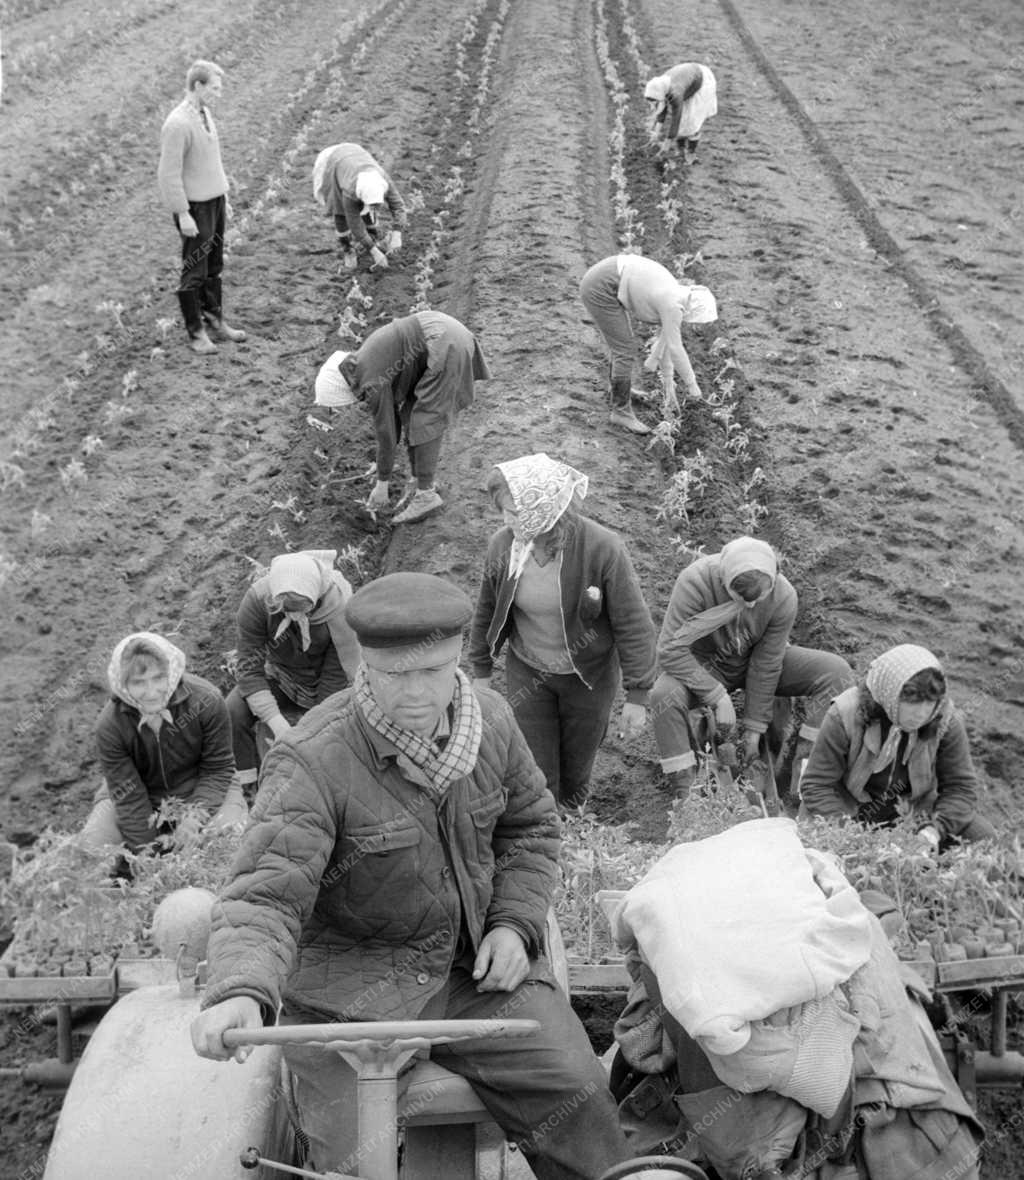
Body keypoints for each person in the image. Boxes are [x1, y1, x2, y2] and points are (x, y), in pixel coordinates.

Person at [190, 572, 631, 1180]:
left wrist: (513, 923)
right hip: (348, 996)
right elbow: (266, 892)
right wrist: (241, 987)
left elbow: (529, 830)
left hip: (473, 972)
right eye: (397, 675)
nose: (419, 693)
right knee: (354, 1157)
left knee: (580, 1097)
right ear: (364, 667)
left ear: (457, 661)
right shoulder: (314, 757)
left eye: (434, 672)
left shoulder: (494, 723)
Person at [468, 454, 656, 809]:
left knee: (577, 768)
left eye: (514, 512)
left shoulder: (601, 548)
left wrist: (638, 696)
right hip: (528, 669)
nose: (505, 520)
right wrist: (481, 672)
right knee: (536, 769)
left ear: (543, 508)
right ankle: (548, 835)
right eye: (503, 511)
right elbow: (487, 610)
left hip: (587, 678)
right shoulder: (504, 546)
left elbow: (632, 623)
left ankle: (574, 823)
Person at [649, 536, 854, 798]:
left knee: (837, 673)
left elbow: (766, 663)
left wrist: (754, 730)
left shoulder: (783, 596)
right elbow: (670, 648)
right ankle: (686, 794)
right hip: (707, 664)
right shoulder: (695, 582)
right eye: (740, 598)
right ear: (724, 579)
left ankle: (804, 781)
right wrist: (716, 695)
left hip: (756, 660)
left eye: (759, 599)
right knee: (663, 694)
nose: (750, 606)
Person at [800, 643, 996, 851]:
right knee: (817, 849)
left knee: (982, 836)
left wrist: (933, 831)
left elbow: (961, 787)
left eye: (929, 703)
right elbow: (817, 784)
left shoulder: (945, 721)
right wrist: (850, 835)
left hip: (912, 814)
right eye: (911, 701)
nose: (921, 714)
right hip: (847, 809)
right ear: (889, 693)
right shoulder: (845, 713)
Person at [313, 311, 491, 523]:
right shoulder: (360, 363)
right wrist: (382, 468)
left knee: (425, 421)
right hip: (442, 331)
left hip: (444, 345)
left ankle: (426, 496)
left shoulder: (371, 383)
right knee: (411, 415)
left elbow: (387, 434)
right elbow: (396, 421)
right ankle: (421, 481)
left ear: (341, 389)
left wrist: (382, 484)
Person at [83, 632, 245, 854]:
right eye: (138, 683)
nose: (151, 692)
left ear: (172, 673)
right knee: (91, 851)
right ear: (122, 685)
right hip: (136, 797)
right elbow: (129, 797)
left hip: (205, 788)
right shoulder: (111, 725)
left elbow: (218, 769)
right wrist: (146, 853)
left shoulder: (207, 700)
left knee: (226, 841)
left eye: (159, 678)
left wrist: (193, 819)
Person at [226, 549, 361, 792]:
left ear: (316, 595)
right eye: (287, 610)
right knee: (234, 710)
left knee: (337, 735)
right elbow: (249, 668)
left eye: (304, 609)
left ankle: (323, 788)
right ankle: (248, 789)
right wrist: (277, 724)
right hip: (282, 677)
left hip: (326, 685)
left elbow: (335, 677)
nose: (296, 615)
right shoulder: (258, 601)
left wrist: (308, 731)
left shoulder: (339, 608)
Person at [157, 60, 246, 356]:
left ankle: (215, 320)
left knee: (214, 265)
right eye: (215, 88)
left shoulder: (205, 113)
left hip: (215, 202)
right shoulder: (177, 124)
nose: (219, 94)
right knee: (194, 270)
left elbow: (213, 160)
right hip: (195, 207)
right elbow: (168, 174)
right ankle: (196, 334)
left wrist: (225, 197)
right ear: (198, 86)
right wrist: (182, 213)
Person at [578, 253, 717, 434]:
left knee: (623, 343)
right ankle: (620, 412)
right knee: (624, 349)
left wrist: (668, 382)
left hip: (608, 274)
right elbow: (676, 349)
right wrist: (693, 387)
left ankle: (619, 388)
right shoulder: (673, 306)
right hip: (600, 286)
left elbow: (666, 343)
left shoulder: (677, 293)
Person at [312, 141, 408, 271]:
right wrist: (374, 252)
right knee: (340, 214)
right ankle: (348, 249)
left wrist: (397, 233)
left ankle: (372, 238)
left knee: (369, 209)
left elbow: (398, 206)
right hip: (334, 161)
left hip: (355, 153)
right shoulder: (349, 192)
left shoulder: (382, 180)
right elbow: (354, 224)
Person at [644, 63, 718, 164]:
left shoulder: (675, 92)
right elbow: (662, 109)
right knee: (684, 121)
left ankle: (691, 153)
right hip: (688, 79)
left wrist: (666, 144)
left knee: (691, 121)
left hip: (702, 82)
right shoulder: (661, 85)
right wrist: (655, 134)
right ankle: (680, 149)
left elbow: (676, 118)